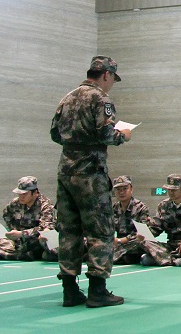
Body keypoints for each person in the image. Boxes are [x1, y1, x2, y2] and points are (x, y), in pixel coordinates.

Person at [50, 55, 132, 308]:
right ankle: (98, 290)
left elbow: (55, 134)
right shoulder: (101, 99)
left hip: (66, 173)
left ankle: (70, 291)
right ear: (106, 74)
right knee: (101, 231)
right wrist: (123, 135)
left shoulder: (67, 97)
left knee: (69, 231)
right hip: (91, 175)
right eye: (113, 79)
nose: (112, 84)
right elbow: (107, 134)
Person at [141, 174, 181, 267]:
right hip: (171, 245)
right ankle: (177, 261)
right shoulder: (163, 205)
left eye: (174, 190)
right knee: (145, 241)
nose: (171, 192)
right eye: (169, 190)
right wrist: (144, 234)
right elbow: (156, 227)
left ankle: (159, 258)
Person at [0, 176, 57, 262]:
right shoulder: (15, 203)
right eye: (19, 194)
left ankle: (17, 255)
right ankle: (22, 256)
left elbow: (46, 228)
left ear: (35, 192)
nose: (21, 197)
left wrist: (21, 233)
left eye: (24, 194)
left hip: (35, 240)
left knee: (45, 240)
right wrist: (13, 230)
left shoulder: (45, 205)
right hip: (19, 240)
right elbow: (7, 215)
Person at [110, 175, 150, 265]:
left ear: (131, 189)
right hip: (117, 243)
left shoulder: (141, 208)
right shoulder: (114, 208)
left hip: (134, 242)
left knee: (140, 245)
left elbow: (143, 232)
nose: (121, 192)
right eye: (118, 189)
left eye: (125, 189)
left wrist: (121, 240)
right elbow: (107, 228)